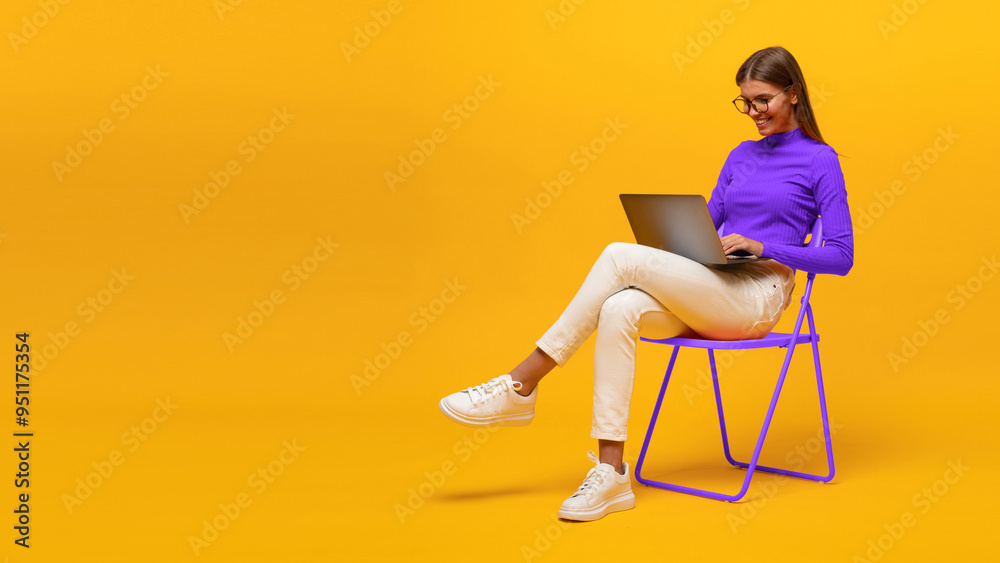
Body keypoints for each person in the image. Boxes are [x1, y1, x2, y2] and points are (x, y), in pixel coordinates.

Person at [438, 46, 854, 521]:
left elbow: (841, 256)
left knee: (618, 256)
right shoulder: (740, 157)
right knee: (620, 309)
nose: (754, 112)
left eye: (763, 100)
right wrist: (681, 240)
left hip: (758, 298)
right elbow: (709, 223)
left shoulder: (820, 161)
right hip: (715, 287)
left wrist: (765, 248)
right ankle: (612, 474)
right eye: (745, 102)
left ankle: (520, 384)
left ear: (793, 94)